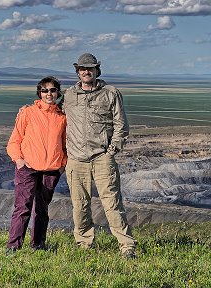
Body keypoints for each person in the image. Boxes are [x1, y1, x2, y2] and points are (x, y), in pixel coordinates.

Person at [63, 53, 136, 259]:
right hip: (76, 159)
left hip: (102, 157)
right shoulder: (68, 95)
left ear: (97, 71)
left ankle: (126, 246)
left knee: (112, 203)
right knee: (80, 204)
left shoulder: (110, 93)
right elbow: (55, 118)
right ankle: (84, 244)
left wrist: (112, 151)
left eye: (91, 68)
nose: (87, 72)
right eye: (83, 69)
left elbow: (121, 124)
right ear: (77, 71)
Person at [6, 76, 67, 255]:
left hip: (51, 170)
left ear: (58, 93)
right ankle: (13, 247)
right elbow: (14, 140)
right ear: (39, 93)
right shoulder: (28, 112)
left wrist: (62, 164)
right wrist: (19, 160)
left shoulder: (62, 118)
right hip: (28, 168)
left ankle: (38, 245)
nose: (49, 94)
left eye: (53, 90)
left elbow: (65, 145)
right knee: (23, 207)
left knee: (42, 209)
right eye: (45, 90)